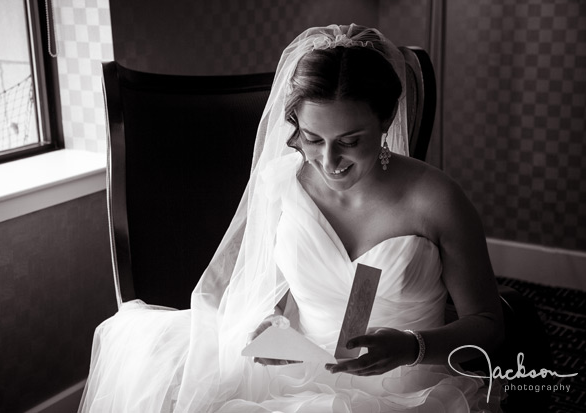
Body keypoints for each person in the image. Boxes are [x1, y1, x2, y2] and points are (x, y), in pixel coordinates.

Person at [79, 24, 505, 412]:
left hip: (412, 391)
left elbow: (489, 325)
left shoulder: (438, 200)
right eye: (312, 138)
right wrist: (272, 323)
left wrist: (412, 347)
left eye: (350, 141)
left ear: (386, 120)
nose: (328, 159)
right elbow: (280, 288)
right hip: (298, 378)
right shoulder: (284, 186)